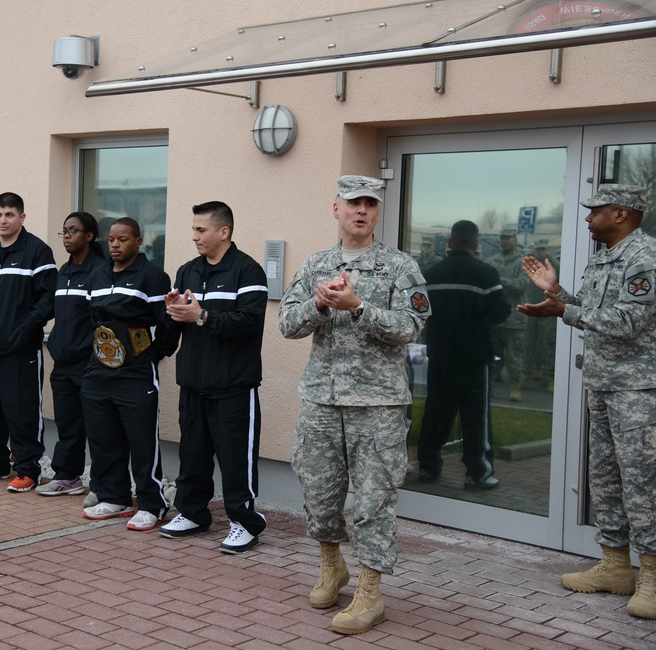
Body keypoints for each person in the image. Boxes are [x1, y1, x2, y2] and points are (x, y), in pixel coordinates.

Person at [278, 175, 429, 635]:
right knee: (319, 495)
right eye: (352, 203)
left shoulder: (401, 266)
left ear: (377, 213)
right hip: (321, 400)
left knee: (372, 501)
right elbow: (287, 323)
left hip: (377, 405)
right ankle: (331, 567)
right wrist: (319, 306)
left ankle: (370, 592)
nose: (361, 210)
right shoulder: (316, 264)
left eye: (369, 204)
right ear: (336, 210)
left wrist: (359, 305)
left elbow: (412, 325)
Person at [518, 184, 656, 620]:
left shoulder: (644, 258)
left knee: (643, 483)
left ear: (622, 213)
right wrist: (557, 294)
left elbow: (627, 322)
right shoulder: (604, 257)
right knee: (606, 476)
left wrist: (561, 311)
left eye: (595, 211)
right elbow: (593, 316)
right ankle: (615, 566)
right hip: (602, 384)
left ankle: (651, 576)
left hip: (638, 391)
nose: (587, 217)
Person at [160, 201, 269, 553]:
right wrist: (172, 314)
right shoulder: (187, 271)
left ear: (223, 232)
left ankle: (244, 522)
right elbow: (176, 328)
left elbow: (250, 323)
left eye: (200, 230)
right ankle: (192, 512)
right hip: (193, 381)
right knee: (193, 454)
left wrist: (202, 316)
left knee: (236, 458)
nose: (194, 236)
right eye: (193, 229)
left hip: (233, 385)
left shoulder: (248, 271)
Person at [81, 217, 174, 531]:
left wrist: (153, 354)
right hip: (98, 371)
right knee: (104, 437)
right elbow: (90, 320)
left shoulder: (152, 276)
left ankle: (152, 504)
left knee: (142, 441)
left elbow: (167, 323)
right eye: (111, 240)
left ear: (139, 241)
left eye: (123, 239)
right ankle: (114, 496)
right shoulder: (98, 273)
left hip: (135, 373)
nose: (115, 245)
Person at [0, 192, 57, 492]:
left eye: (10, 215)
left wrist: (28, 327)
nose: (3, 220)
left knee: (21, 410)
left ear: (22, 217)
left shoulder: (37, 251)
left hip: (20, 349)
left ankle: (28, 469)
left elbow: (48, 298)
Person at [415, 220, 511, 490]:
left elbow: (421, 313)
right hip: (473, 356)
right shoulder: (485, 273)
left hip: (441, 354)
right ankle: (477, 473)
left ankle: (428, 467)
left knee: (436, 412)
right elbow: (501, 312)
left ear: (449, 241)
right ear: (475, 242)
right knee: (475, 416)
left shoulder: (431, 274)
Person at [38, 212, 106, 497]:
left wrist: (92, 355)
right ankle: (68, 476)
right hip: (63, 363)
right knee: (67, 424)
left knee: (99, 427)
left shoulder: (101, 271)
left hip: (89, 364)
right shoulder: (63, 272)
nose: (67, 236)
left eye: (73, 231)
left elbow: (101, 322)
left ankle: (103, 485)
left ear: (89, 236)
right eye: (64, 231)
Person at [487, 227, 529, 402]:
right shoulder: (492, 261)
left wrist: (500, 281)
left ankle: (515, 387)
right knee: (493, 353)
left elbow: (521, 285)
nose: (504, 241)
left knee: (514, 356)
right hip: (495, 317)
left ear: (515, 240)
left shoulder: (523, 262)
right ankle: (490, 386)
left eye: (508, 238)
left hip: (515, 317)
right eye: (502, 238)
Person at [524, 238, 558, 391]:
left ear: (547, 250)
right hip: (531, 309)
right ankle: (529, 374)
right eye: (538, 249)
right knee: (529, 343)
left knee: (547, 345)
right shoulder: (529, 266)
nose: (540, 252)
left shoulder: (555, 267)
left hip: (548, 312)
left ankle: (550, 377)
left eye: (543, 249)